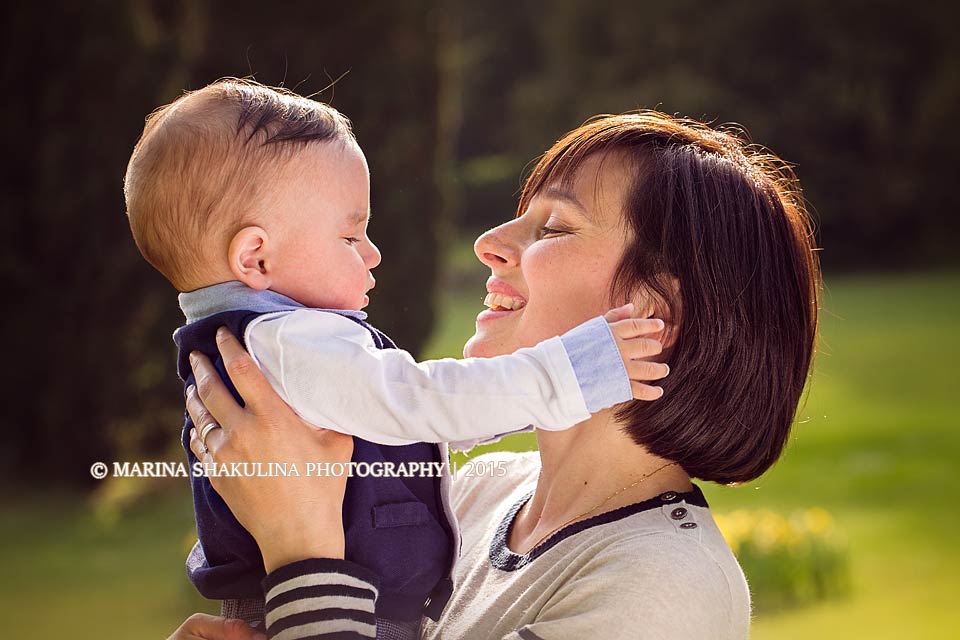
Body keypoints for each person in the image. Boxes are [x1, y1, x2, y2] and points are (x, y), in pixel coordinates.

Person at [170, 110, 820, 639]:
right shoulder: (477, 494)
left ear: (653, 316)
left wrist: (299, 549)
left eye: (554, 226)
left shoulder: (664, 590)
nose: (488, 242)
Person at [124, 80, 671, 631]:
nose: (373, 254)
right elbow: (422, 402)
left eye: (553, 228)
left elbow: (411, 421)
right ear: (256, 258)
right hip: (341, 606)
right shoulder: (289, 344)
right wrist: (573, 372)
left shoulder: (263, 344)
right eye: (350, 237)